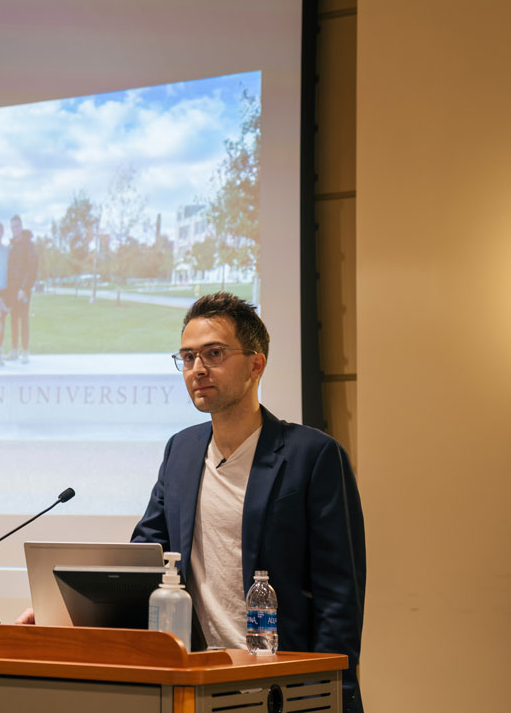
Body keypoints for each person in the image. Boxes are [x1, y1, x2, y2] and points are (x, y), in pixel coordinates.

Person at [131, 292, 366, 712]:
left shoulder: (313, 455)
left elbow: (339, 595)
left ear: (256, 364)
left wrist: (330, 693)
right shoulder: (181, 451)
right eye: (186, 358)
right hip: (199, 683)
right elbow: (145, 554)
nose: (197, 369)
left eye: (214, 353)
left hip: (284, 687)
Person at [4, 215, 38, 363]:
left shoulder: (28, 244)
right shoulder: (11, 245)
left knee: (23, 318)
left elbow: (32, 268)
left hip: (23, 290)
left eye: (17, 226)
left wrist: (24, 288)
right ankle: (14, 350)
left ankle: (25, 351)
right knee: (13, 319)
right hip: (11, 289)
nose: (15, 229)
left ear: (21, 226)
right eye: (12, 227)